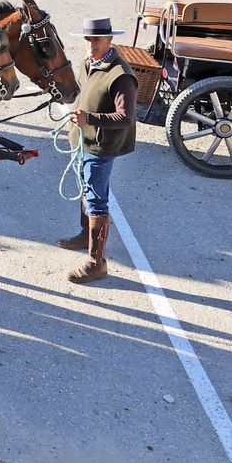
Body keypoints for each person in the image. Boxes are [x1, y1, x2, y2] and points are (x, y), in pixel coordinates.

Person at [57, 17, 138, 284]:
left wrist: (89, 119)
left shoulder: (121, 75)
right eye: (88, 39)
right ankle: (85, 235)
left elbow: (125, 117)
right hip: (82, 141)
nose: (91, 44)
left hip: (100, 147)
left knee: (95, 199)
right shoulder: (87, 64)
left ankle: (96, 263)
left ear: (110, 40)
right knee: (85, 190)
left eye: (97, 40)